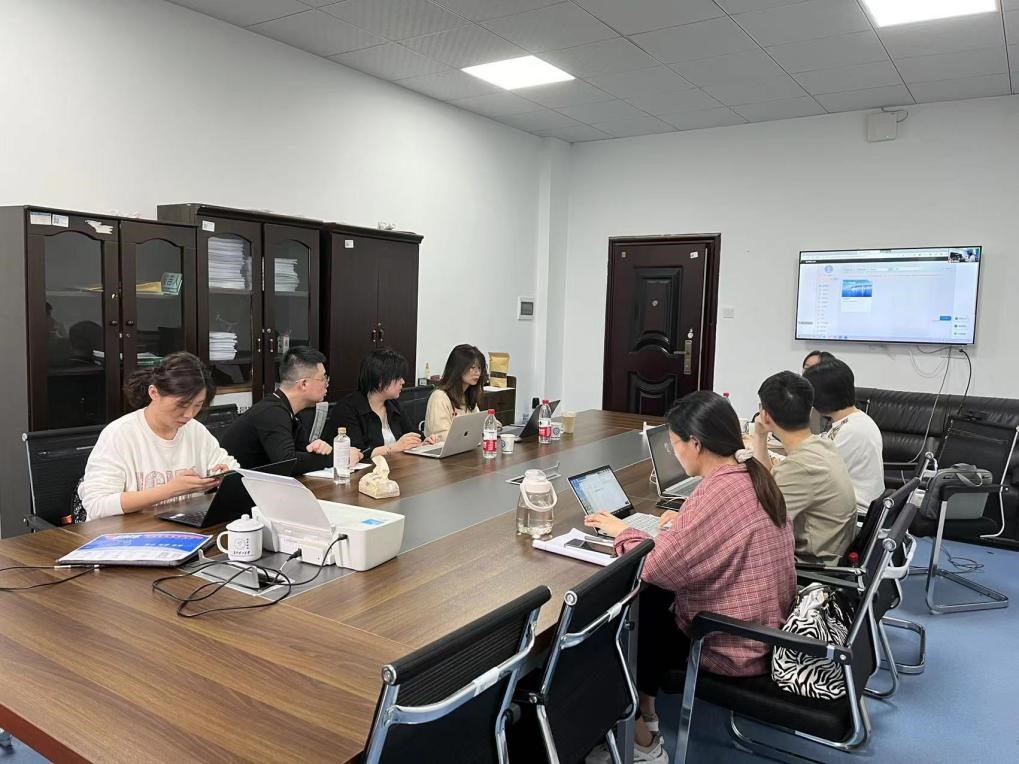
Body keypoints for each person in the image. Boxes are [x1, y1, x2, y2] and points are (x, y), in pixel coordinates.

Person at [584, 391, 795, 764]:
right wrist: (683, 523)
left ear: (696, 444)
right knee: (654, 600)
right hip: (765, 625)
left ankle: (639, 740)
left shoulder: (718, 490)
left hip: (734, 642)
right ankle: (647, 709)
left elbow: (656, 565)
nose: (675, 453)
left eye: (675, 444)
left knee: (623, 617)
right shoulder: (749, 473)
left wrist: (622, 531)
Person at [78, 352, 239, 520]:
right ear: (154, 393)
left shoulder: (195, 430)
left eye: (198, 405)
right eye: (182, 405)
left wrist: (225, 476)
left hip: (182, 526)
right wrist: (171, 490)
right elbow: (97, 505)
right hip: (127, 532)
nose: (189, 414)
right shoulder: (120, 434)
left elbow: (233, 470)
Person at [751, 371, 856, 565]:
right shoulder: (823, 445)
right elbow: (769, 484)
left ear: (765, 416)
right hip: (834, 551)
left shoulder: (799, 467)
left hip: (812, 566)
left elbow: (758, 526)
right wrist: (760, 436)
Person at [220, 347, 362, 474]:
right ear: (304, 384)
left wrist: (321, 449)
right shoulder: (272, 412)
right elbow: (288, 463)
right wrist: (338, 456)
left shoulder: (288, 411)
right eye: (323, 378)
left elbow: (302, 452)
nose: (327, 384)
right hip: (236, 490)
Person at [803, 359, 885, 514]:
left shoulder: (852, 430)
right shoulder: (853, 421)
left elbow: (812, 476)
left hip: (854, 513)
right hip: (845, 505)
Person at [324, 348, 436, 458]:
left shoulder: (393, 405)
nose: (403, 382)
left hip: (396, 465)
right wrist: (394, 447)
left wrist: (423, 442)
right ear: (380, 380)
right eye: (398, 377)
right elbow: (355, 453)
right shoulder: (347, 409)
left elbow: (412, 433)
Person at [425, 344, 488, 442]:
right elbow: (441, 436)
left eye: (479, 368)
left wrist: (489, 425)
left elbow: (477, 424)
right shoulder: (439, 398)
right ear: (458, 369)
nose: (477, 372)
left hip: (465, 448)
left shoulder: (468, 395)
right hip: (445, 450)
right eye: (472, 367)